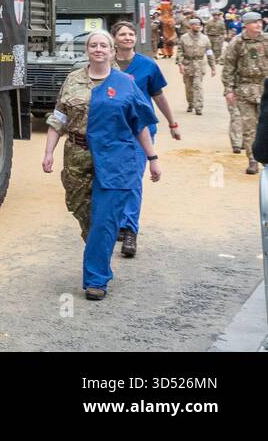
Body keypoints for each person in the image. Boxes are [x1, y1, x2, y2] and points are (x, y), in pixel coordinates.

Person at [43, 29, 161, 300]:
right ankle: (99, 249)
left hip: (115, 158)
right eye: (93, 45)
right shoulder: (72, 80)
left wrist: (152, 158)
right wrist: (48, 151)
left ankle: (97, 278)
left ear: (112, 51)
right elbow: (58, 118)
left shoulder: (126, 83)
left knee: (104, 219)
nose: (98, 49)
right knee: (83, 213)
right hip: (77, 156)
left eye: (103, 45)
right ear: (87, 50)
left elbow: (140, 123)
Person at [111, 20, 178, 256]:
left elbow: (158, 96)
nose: (128, 37)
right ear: (114, 39)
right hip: (111, 132)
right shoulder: (105, 65)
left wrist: (172, 122)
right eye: (123, 34)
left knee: (133, 178)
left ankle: (130, 230)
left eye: (131, 34)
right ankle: (117, 223)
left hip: (141, 132)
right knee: (112, 178)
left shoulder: (147, 66)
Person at [221, 10, 267, 175]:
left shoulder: (266, 40)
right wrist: (228, 90)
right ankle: (252, 159)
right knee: (249, 128)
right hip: (245, 90)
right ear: (246, 25)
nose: (259, 25)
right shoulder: (237, 42)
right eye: (255, 22)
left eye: (260, 22)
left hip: (265, 89)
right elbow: (229, 68)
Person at [173, 16, 216, 114]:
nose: (198, 26)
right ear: (190, 26)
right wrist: (180, 64)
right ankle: (191, 103)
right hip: (188, 65)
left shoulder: (205, 39)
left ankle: (198, 107)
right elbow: (180, 51)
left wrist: (213, 67)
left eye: (199, 24)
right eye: (195, 24)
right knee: (188, 87)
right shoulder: (184, 38)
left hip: (200, 65)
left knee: (198, 86)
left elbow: (209, 53)